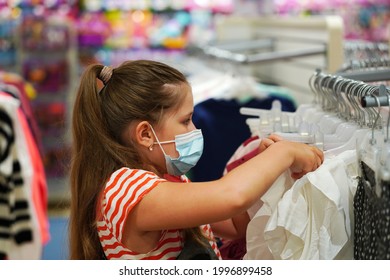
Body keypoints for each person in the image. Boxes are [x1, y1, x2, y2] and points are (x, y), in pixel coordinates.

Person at [68, 60, 324, 260]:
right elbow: (230, 197)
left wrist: (265, 169)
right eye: (185, 120)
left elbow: (236, 225)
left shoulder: (168, 180)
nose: (194, 128)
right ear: (146, 134)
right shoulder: (127, 189)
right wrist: (283, 154)